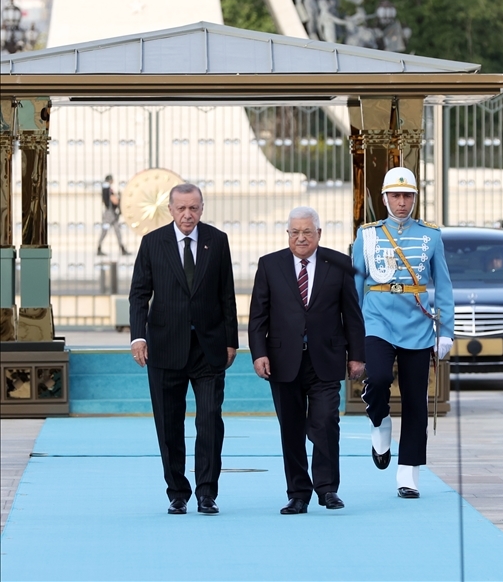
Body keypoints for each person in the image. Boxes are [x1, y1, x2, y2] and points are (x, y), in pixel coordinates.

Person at [128, 183, 238, 516]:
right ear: (170, 210)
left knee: (209, 421)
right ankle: (177, 492)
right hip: (164, 348)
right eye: (181, 209)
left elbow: (227, 294)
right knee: (169, 423)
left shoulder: (216, 241)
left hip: (208, 349)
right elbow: (139, 294)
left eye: (194, 208)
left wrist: (231, 340)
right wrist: (138, 336)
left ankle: (207, 492)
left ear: (202, 208)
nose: (187, 215)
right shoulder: (152, 243)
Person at [248, 206, 365, 515]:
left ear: (319, 234)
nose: (301, 238)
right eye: (295, 232)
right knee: (291, 427)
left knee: (326, 422)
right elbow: (258, 316)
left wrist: (357, 356)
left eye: (307, 232)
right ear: (288, 234)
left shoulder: (338, 264)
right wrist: (259, 353)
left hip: (325, 359)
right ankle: (298, 492)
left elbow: (352, 314)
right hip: (283, 360)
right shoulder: (270, 265)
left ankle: (327, 489)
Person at [352, 167, 454, 498]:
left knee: (415, 400)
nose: (401, 202)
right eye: (395, 196)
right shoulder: (366, 235)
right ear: (384, 198)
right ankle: (379, 422)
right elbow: (355, 285)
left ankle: (409, 471)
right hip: (377, 318)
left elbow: (444, 286)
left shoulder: (431, 236)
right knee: (378, 378)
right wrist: (351, 332)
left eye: (407, 196)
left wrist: (446, 330)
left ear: (415, 199)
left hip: (417, 322)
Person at [97, 174, 129, 256]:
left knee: (116, 230)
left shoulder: (105, 189)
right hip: (110, 213)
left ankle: (122, 248)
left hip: (111, 213)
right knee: (107, 230)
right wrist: (119, 200)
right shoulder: (108, 189)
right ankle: (99, 248)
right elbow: (114, 200)